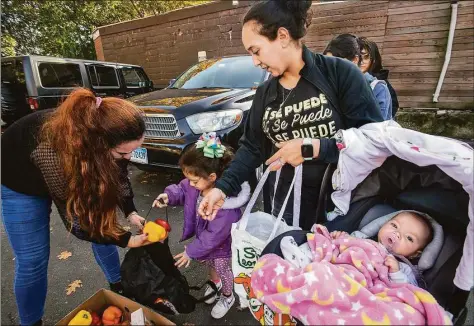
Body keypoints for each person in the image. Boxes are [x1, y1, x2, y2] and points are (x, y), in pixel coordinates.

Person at [198, 0, 383, 231]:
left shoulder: (339, 73)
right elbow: (252, 147)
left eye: (256, 51)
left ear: (283, 36)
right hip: (280, 209)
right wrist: (222, 188)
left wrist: (312, 148)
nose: (255, 62)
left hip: (336, 212)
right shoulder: (265, 93)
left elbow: (374, 141)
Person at [1, 88, 152, 326]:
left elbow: (119, 177)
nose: (130, 157)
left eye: (134, 149)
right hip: (21, 184)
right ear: (99, 145)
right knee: (32, 261)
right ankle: (31, 322)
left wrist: (130, 211)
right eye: (124, 152)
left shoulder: (106, 142)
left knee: (107, 226)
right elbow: (82, 221)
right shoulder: (54, 152)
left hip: (70, 164)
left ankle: (118, 284)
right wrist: (126, 240)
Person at [153, 133, 250, 319]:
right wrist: (169, 196)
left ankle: (227, 296)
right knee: (209, 263)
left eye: (194, 181)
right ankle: (215, 283)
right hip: (204, 239)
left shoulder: (226, 204)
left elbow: (214, 235)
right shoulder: (194, 185)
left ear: (212, 176)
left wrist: (191, 251)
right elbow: (182, 189)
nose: (190, 184)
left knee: (222, 267)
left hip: (222, 245)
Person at [331, 211, 434, 286]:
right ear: (382, 225)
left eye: (409, 238)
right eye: (394, 225)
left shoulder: (404, 269)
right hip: (340, 273)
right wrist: (339, 238)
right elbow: (344, 245)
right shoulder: (362, 239)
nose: (397, 234)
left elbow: (411, 292)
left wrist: (396, 273)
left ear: (415, 254)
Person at [323, 34, 393, 120]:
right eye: (326, 64)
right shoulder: (328, 87)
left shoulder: (377, 88)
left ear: (355, 60)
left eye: (335, 63)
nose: (330, 69)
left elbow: (376, 129)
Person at [358, 36, 399, 117]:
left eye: (366, 57)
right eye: (358, 56)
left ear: (373, 60)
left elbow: (391, 109)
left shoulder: (379, 85)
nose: (361, 61)